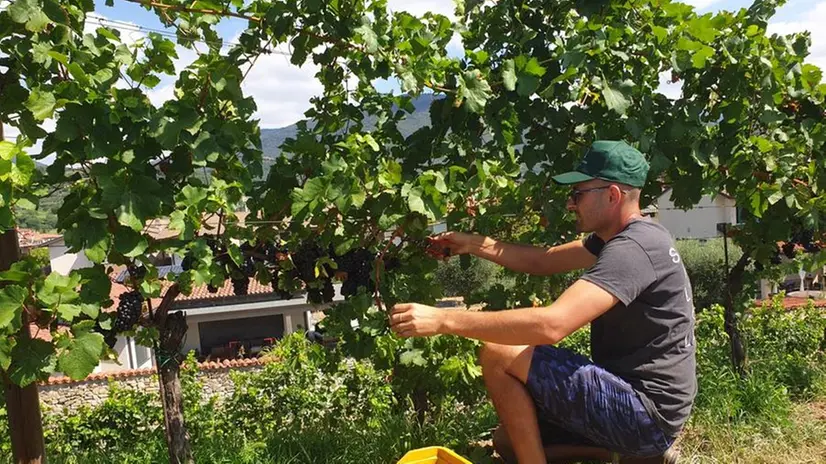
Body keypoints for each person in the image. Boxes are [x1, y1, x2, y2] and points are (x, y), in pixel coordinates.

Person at [390, 140, 696, 464]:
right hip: (642, 407)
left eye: (578, 194)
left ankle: (639, 448)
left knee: (499, 353)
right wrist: (473, 243)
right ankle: (628, 454)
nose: (569, 204)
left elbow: (553, 325)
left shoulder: (632, 248)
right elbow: (542, 262)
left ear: (612, 195)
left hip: (646, 414)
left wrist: (444, 321)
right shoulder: (621, 238)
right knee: (509, 440)